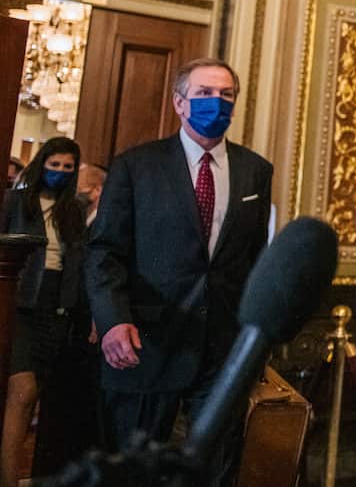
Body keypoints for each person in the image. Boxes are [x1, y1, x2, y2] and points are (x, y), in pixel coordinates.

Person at [86, 59, 273, 487]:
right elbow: (103, 251)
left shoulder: (255, 170)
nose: (217, 102)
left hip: (222, 348)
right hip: (146, 343)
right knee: (135, 472)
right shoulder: (136, 166)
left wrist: (254, 340)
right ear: (180, 103)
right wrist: (112, 319)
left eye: (226, 94)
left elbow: (253, 257)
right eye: (205, 93)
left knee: (215, 469)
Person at [1, 137, 89, 487]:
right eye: (55, 165)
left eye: (68, 167)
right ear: (42, 164)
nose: (61, 172)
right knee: (22, 391)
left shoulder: (73, 210)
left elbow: (76, 261)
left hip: (57, 307)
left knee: (35, 396)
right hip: (21, 301)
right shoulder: (17, 200)